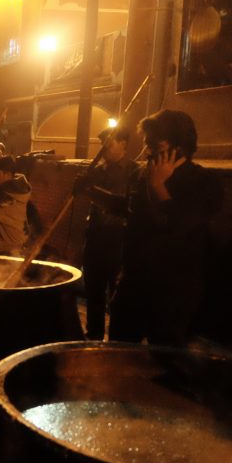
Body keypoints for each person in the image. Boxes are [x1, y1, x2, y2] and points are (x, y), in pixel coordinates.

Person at [94, 110, 223, 345]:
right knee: (120, 352)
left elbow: (180, 224)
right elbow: (130, 208)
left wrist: (158, 187)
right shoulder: (140, 173)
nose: (148, 151)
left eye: (156, 145)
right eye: (147, 143)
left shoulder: (204, 182)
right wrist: (92, 192)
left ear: (179, 147)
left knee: (164, 357)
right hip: (133, 282)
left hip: (172, 291)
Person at [73, 126, 137, 340]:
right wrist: (80, 187)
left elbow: (123, 205)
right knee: (94, 293)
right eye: (102, 144)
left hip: (118, 242)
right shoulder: (97, 171)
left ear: (123, 144)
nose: (104, 148)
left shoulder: (134, 172)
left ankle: (118, 341)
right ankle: (94, 337)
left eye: (108, 143)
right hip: (95, 239)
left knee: (118, 296)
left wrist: (91, 190)